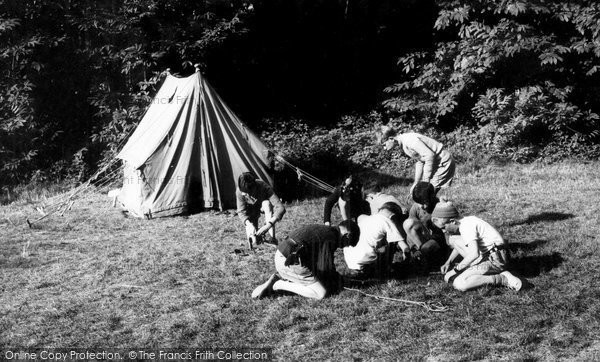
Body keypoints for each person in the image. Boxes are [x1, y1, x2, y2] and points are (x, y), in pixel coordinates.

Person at [251, 220, 360, 300]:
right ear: (347, 235)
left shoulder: (327, 230)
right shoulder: (331, 237)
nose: (343, 247)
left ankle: (284, 277)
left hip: (283, 256)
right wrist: (341, 281)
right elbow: (325, 269)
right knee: (320, 293)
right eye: (347, 244)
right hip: (289, 261)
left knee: (319, 281)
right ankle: (279, 284)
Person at [431, 201, 522, 292]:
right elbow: (463, 245)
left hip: (495, 260)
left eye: (443, 228)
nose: (443, 232)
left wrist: (455, 271)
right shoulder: (467, 220)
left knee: (459, 283)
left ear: (452, 221)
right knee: (453, 239)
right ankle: (488, 270)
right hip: (493, 255)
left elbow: (474, 254)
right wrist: (448, 262)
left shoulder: (466, 227)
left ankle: (501, 278)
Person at [380, 125, 455, 195]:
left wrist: (426, 180)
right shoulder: (403, 143)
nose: (384, 148)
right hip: (435, 162)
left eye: (384, 144)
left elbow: (429, 156)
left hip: (442, 162)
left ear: (391, 139)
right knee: (425, 196)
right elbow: (420, 161)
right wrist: (416, 182)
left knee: (425, 195)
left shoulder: (410, 141)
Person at [343, 202, 410, 276]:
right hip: (366, 265)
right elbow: (405, 248)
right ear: (393, 216)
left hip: (351, 263)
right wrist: (407, 263)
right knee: (392, 242)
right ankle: (386, 269)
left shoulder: (366, 219)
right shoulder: (387, 221)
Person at [402, 182, 448, 271]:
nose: (423, 206)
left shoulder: (440, 205)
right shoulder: (416, 208)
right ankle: (420, 253)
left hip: (438, 239)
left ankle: (426, 258)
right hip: (422, 239)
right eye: (420, 203)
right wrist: (413, 248)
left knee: (426, 248)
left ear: (432, 197)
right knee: (408, 223)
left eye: (425, 202)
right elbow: (410, 231)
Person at [236, 172, 286, 249]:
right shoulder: (239, 191)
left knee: (267, 204)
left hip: (263, 207)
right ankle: (257, 237)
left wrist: (268, 225)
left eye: (249, 193)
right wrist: (249, 224)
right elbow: (241, 212)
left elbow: (280, 208)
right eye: (245, 194)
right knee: (254, 241)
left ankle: (272, 238)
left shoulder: (263, 186)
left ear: (254, 187)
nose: (247, 196)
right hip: (251, 212)